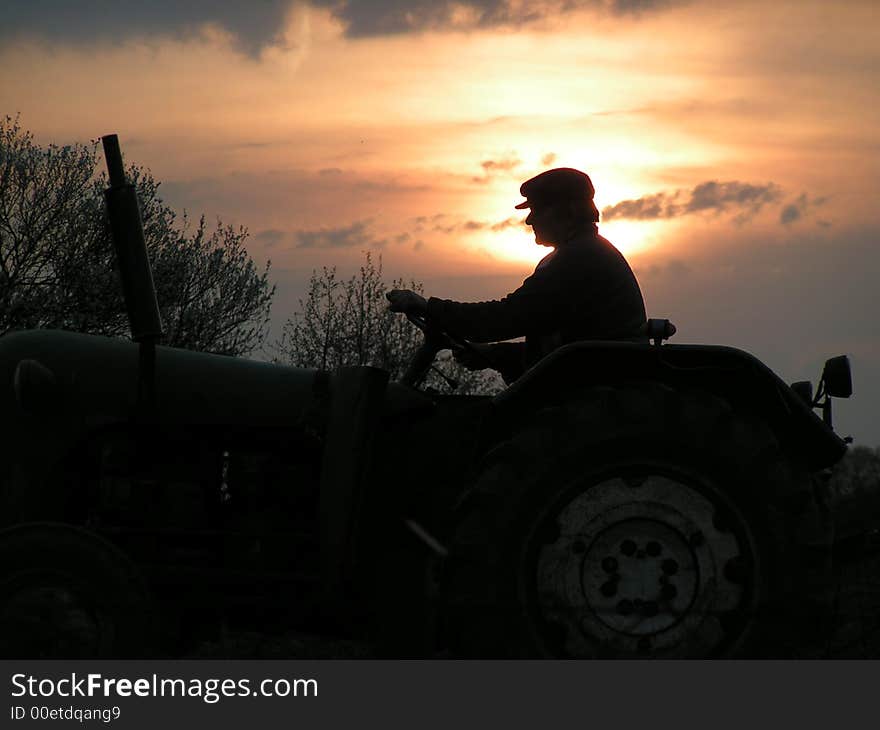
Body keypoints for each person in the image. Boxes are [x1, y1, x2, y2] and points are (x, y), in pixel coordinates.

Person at [386, 167, 647, 384]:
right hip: (589, 377)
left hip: (592, 391)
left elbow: (506, 317)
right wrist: (494, 354)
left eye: (537, 210)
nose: (529, 221)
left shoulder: (580, 259)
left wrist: (428, 307)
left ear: (565, 211)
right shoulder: (582, 253)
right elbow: (557, 344)